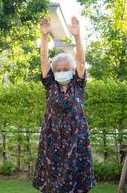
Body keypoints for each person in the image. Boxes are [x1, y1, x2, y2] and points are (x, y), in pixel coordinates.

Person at [33, 17, 95, 193]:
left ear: (72, 69)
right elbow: (44, 62)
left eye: (65, 68)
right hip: (52, 138)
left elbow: (81, 62)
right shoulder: (50, 85)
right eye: (58, 69)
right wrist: (44, 36)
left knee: (76, 182)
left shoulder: (78, 84)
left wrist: (77, 36)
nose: (61, 71)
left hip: (77, 138)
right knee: (53, 184)